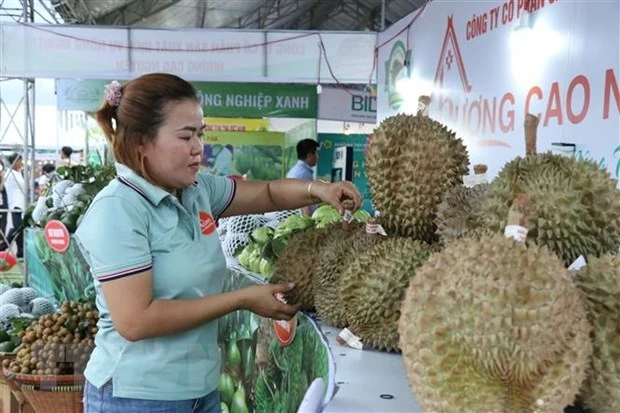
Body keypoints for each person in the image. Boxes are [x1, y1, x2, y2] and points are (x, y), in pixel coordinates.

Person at [75, 74, 361, 413]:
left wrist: (318, 190)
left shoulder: (197, 192)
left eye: (200, 134)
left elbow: (267, 192)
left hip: (201, 390)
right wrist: (240, 299)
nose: (199, 148)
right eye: (186, 136)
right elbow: (136, 320)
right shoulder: (119, 210)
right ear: (141, 143)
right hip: (136, 397)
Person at [286, 139, 320, 216]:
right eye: (316, 154)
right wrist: (308, 221)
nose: (318, 157)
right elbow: (304, 202)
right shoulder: (303, 173)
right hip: (301, 217)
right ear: (310, 155)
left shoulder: (295, 170)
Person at [3, 153, 26, 258]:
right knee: (17, 227)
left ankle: (20, 252)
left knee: (20, 229)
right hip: (15, 204)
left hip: (21, 204)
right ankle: (4, 245)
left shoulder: (19, 173)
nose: (22, 163)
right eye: (20, 161)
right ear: (15, 162)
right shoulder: (10, 174)